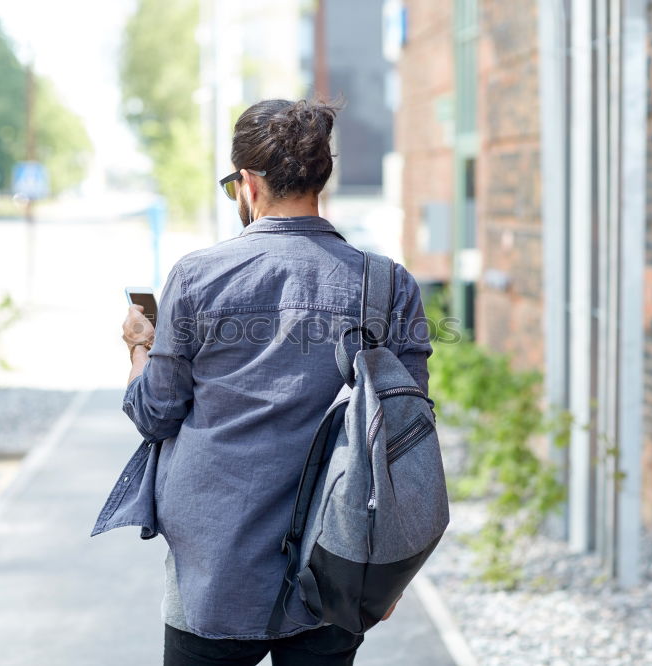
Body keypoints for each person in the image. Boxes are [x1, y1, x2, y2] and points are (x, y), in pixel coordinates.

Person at [119, 98, 432, 666]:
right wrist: (392, 572)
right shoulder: (388, 285)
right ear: (321, 180)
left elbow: (153, 413)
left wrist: (141, 343)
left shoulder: (198, 277)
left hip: (216, 563)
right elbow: (405, 440)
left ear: (248, 184)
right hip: (338, 560)